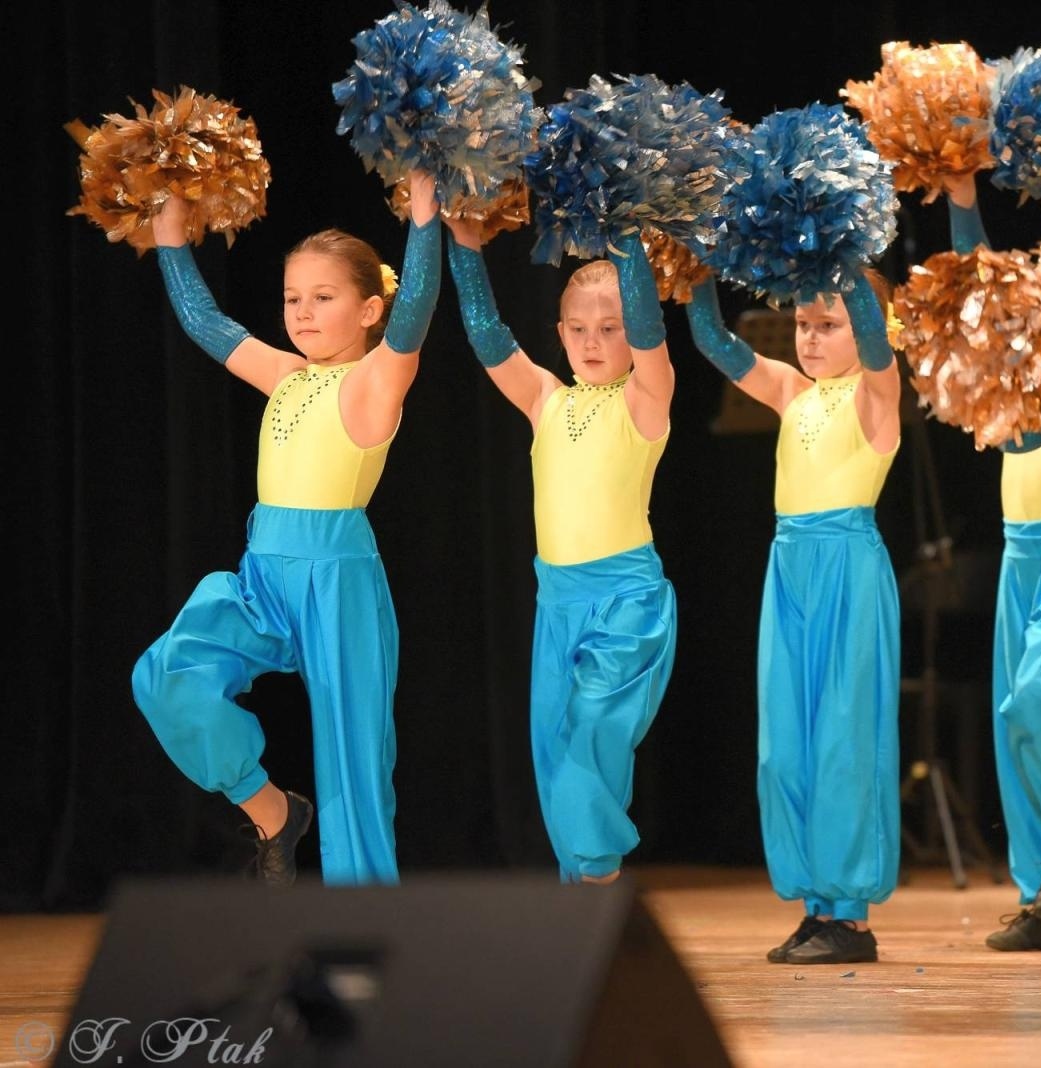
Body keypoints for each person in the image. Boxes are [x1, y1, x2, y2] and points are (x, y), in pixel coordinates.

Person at [133, 169, 442, 885]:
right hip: (263, 576)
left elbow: (418, 305)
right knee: (167, 678)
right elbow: (205, 324)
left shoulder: (373, 382)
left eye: (323, 298)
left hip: (337, 581)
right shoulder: (286, 375)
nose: (301, 313)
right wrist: (172, 239)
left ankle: (364, 921)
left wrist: (424, 221)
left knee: (355, 761)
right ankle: (274, 813)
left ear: (369, 311)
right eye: (292, 298)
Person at [444, 219, 677, 887]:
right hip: (559, 603)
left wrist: (629, 229)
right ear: (559, 331)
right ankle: (590, 900)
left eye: (610, 328)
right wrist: (464, 247)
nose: (593, 341)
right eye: (578, 328)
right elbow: (487, 336)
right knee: (555, 754)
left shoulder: (645, 399)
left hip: (626, 605)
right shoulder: (545, 398)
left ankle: (599, 887)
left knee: (589, 734)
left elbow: (653, 335)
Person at [687, 265, 901, 966]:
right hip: (791, 569)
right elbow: (713, 340)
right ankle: (816, 904)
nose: (809, 338)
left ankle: (852, 917)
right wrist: (689, 271)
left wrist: (845, 246)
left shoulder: (877, 393)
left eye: (827, 324)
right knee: (786, 747)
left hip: (848, 568)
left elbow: (874, 335)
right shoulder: (789, 391)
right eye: (803, 324)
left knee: (844, 739)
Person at [939, 173, 1041, 953]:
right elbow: (975, 284)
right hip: (1022, 553)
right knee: (1017, 730)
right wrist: (962, 194)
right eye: (1038, 291)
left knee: (1037, 705)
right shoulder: (1019, 351)